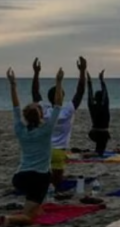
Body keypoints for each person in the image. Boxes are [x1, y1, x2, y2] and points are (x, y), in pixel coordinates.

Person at [0, 67, 64, 227]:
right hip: (39, 178)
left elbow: (15, 108)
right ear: (41, 115)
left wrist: (13, 85)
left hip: (20, 178)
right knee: (29, 217)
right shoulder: (46, 129)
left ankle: (33, 205)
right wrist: (58, 82)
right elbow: (58, 105)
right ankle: (7, 219)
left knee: (35, 203)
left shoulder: (20, 129)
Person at [31, 57, 86, 197]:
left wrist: (36, 73)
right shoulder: (67, 110)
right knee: (57, 182)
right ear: (62, 97)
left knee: (43, 176)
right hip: (59, 151)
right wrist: (82, 71)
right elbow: (80, 92)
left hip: (44, 150)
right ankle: (54, 189)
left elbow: (35, 93)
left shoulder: (44, 109)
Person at [86, 70, 111, 156]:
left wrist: (89, 82)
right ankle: (92, 153)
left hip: (93, 133)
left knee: (99, 149)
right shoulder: (104, 106)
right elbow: (105, 94)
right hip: (103, 134)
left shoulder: (92, 106)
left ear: (95, 99)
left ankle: (94, 151)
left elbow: (89, 94)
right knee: (100, 153)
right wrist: (101, 80)